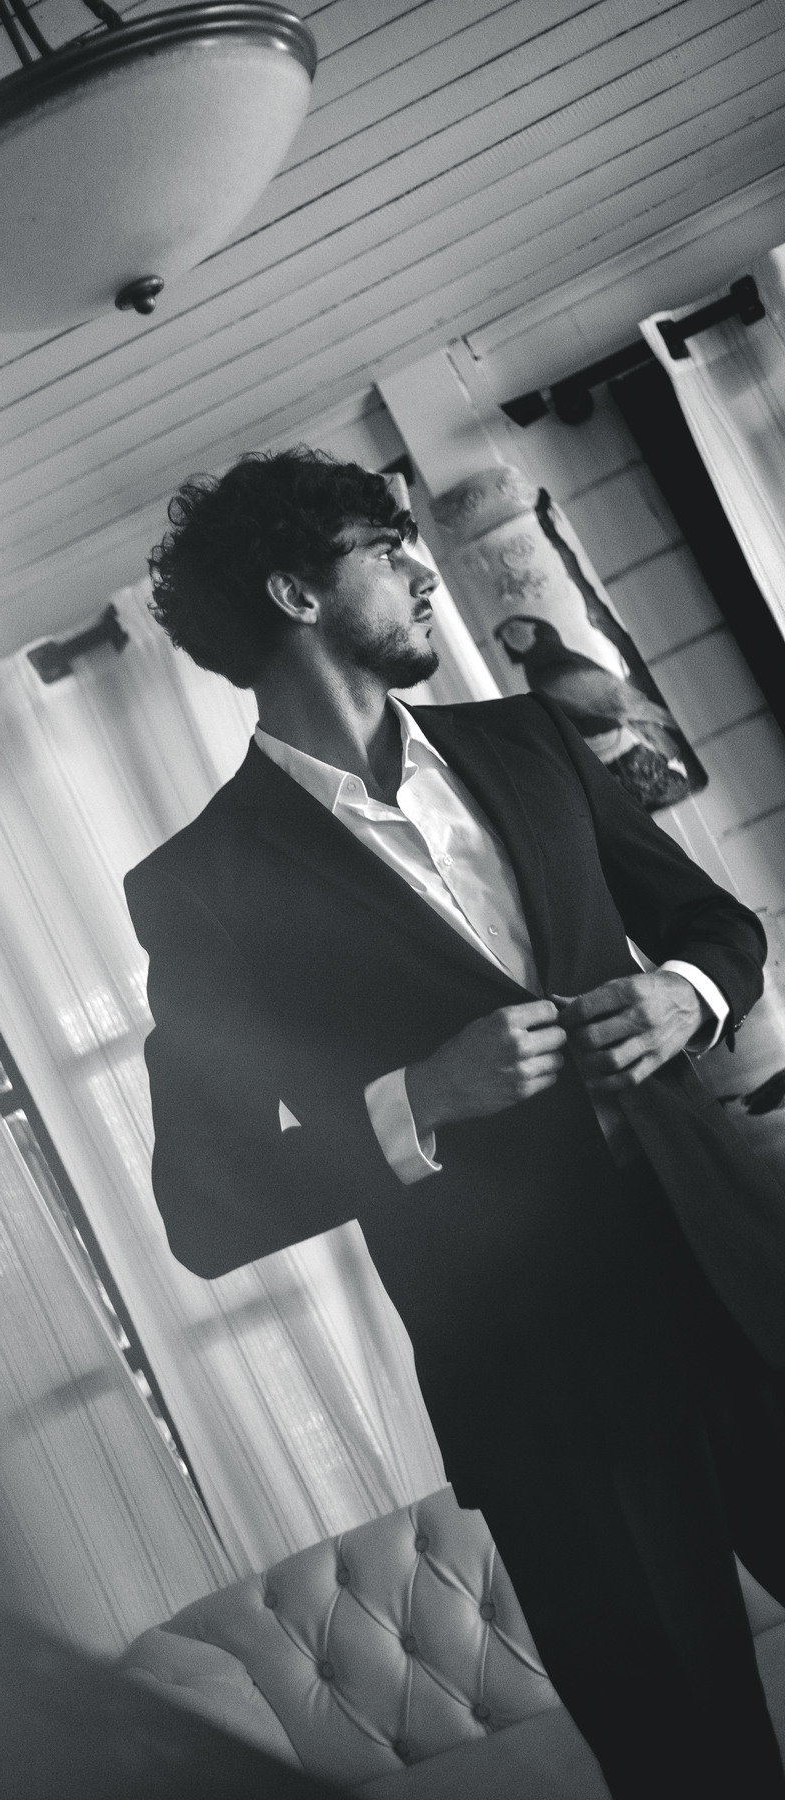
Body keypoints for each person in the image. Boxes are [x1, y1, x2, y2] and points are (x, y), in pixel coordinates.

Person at [124, 448, 785, 1800]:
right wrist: (422, 1097)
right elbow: (206, 1204)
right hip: (546, 1379)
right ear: (298, 593)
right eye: (387, 547)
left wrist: (688, 993)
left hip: (744, 1271)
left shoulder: (534, 741)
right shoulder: (202, 886)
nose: (424, 570)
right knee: (689, 1756)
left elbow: (716, 924)